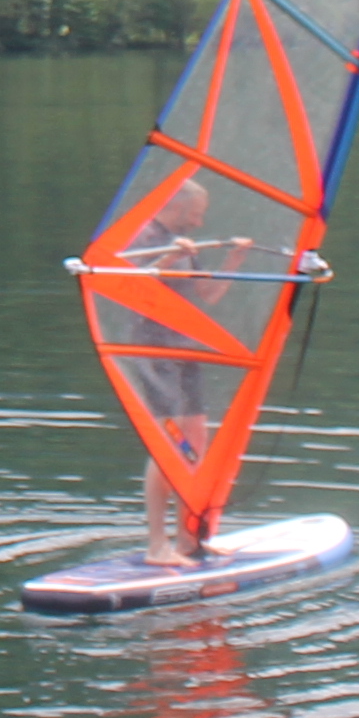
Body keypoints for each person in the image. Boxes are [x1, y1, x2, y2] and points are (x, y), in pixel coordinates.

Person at [122, 176, 254, 568]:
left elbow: (207, 295)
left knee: (196, 443)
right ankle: (156, 546)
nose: (199, 223)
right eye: (195, 214)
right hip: (153, 349)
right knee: (169, 445)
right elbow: (133, 286)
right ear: (176, 207)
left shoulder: (185, 243)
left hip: (186, 346)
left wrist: (232, 262)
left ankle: (190, 539)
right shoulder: (146, 235)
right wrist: (167, 259)